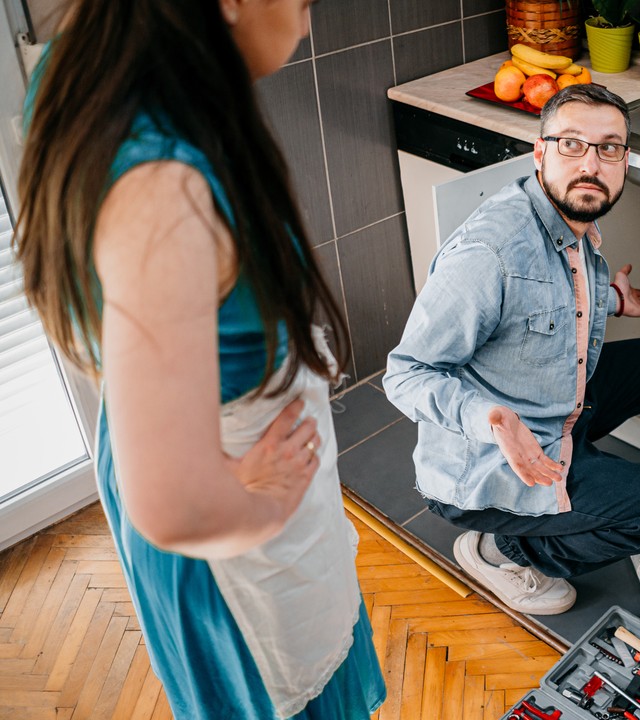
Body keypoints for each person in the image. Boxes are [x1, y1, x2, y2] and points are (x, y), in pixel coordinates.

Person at [15, 1, 385, 717]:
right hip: (235, 555)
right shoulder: (160, 188)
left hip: (226, 489)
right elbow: (172, 506)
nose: (309, 24)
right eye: (305, 3)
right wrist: (269, 498)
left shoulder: (90, 66)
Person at [383, 84, 640, 616]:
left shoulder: (570, 220)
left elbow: (544, 304)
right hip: (485, 464)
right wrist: (493, 419)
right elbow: (405, 374)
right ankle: (507, 548)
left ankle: (575, 465)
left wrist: (610, 301)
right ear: (541, 151)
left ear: (624, 160)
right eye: (572, 144)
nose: (590, 163)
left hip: (543, 417)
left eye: (609, 147)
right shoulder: (492, 250)